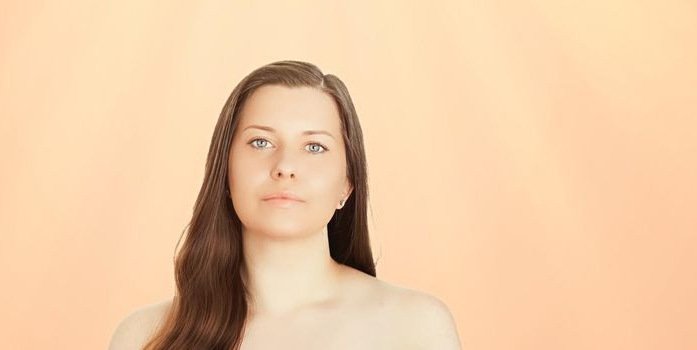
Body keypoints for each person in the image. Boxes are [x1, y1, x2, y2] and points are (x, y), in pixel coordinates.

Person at [110, 60, 461, 349]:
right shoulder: (144, 337)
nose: (285, 167)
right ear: (225, 171)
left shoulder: (416, 329)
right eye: (261, 142)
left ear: (347, 184)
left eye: (314, 147)